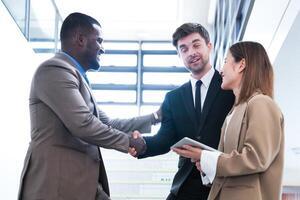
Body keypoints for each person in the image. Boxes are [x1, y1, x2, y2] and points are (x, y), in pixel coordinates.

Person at [18, 12, 160, 200]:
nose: (102, 49)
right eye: (99, 41)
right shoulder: (54, 70)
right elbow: (83, 124)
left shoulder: (77, 77)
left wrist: (155, 117)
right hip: (55, 186)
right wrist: (129, 143)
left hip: (81, 183)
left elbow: (107, 122)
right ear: (80, 39)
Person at [132, 23, 235, 200]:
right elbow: (165, 140)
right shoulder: (173, 98)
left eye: (196, 45)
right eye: (184, 49)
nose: (191, 53)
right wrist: (142, 145)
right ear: (179, 55)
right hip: (186, 186)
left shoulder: (230, 87)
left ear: (209, 46)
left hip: (224, 184)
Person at [172, 41, 284, 200]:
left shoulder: (261, 103)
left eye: (225, 61)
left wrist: (206, 157)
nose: (221, 70)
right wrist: (206, 166)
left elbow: (256, 158)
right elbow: (233, 167)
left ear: (241, 65)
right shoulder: (234, 111)